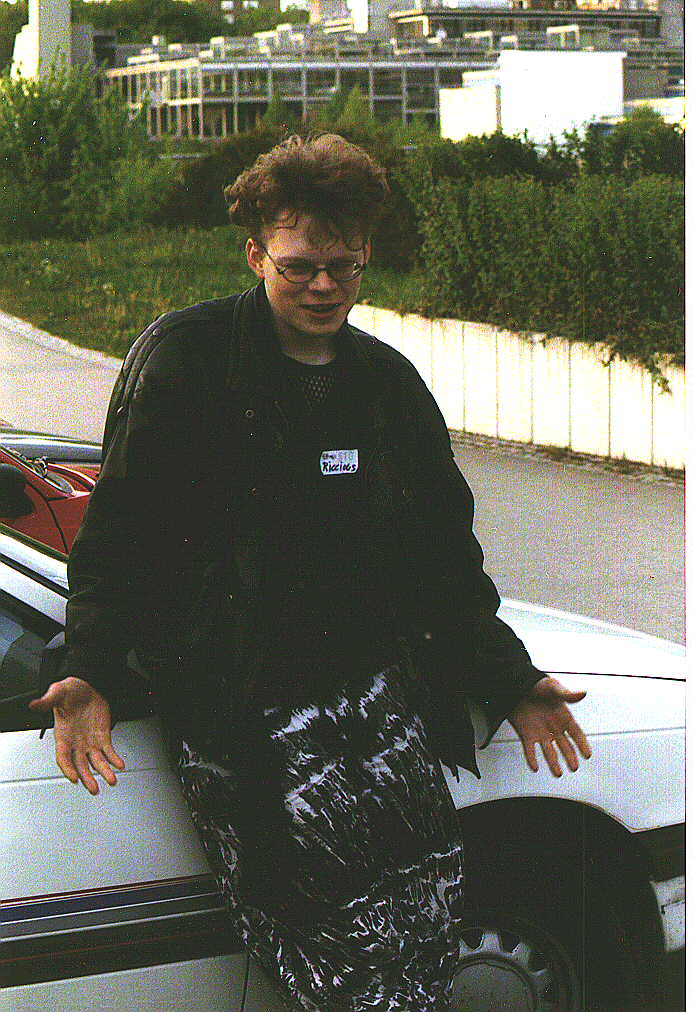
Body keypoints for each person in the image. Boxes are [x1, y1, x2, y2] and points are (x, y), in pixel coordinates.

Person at [30, 133, 591, 1012]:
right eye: (298, 266)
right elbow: (122, 528)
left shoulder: (387, 384)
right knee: (327, 945)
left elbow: (443, 557)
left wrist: (508, 678)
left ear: (364, 256)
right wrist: (88, 667)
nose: (322, 285)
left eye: (342, 265)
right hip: (243, 707)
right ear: (255, 255)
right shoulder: (187, 358)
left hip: (374, 698)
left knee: (424, 917)